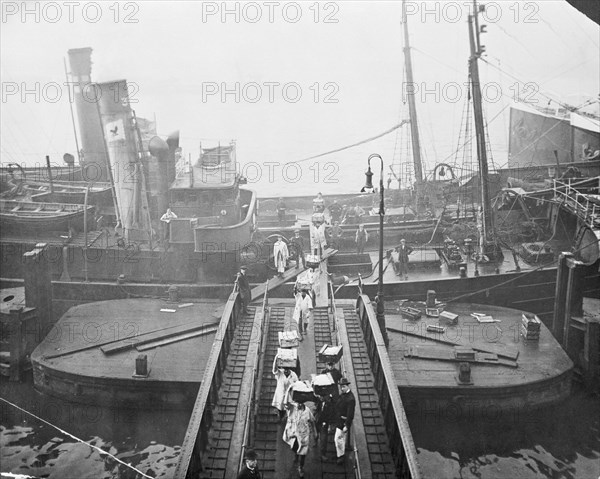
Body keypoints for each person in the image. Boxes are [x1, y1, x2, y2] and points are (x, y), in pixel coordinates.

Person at [283, 390, 317, 478]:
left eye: (301, 403)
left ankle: (300, 467)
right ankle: (296, 455)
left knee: (303, 453)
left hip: (304, 435)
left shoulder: (307, 411)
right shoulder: (292, 408)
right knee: (295, 448)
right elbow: (285, 403)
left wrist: (315, 433)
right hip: (294, 434)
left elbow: (312, 421)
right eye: (298, 402)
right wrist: (288, 390)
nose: (299, 405)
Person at [334, 377, 356, 465]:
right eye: (341, 387)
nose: (341, 388)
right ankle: (340, 454)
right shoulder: (343, 395)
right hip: (339, 420)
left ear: (347, 386)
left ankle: (341, 456)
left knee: (338, 439)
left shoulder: (351, 399)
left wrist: (347, 425)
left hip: (343, 421)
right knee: (340, 438)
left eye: (343, 387)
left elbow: (350, 414)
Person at [272, 354, 298, 421]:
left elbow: (296, 384)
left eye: (287, 369)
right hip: (280, 394)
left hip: (288, 395)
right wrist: (276, 358)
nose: (285, 371)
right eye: (285, 369)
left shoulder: (293, 375)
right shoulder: (280, 373)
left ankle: (285, 418)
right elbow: (274, 369)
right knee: (280, 407)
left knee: (287, 408)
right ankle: (280, 417)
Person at [316, 392, 336, 461]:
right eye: (320, 397)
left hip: (324, 423)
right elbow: (317, 410)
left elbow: (330, 415)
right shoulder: (319, 402)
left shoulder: (329, 405)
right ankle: (315, 441)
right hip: (317, 421)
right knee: (315, 433)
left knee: (323, 439)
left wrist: (327, 423)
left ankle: (323, 454)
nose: (321, 398)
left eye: (322, 397)